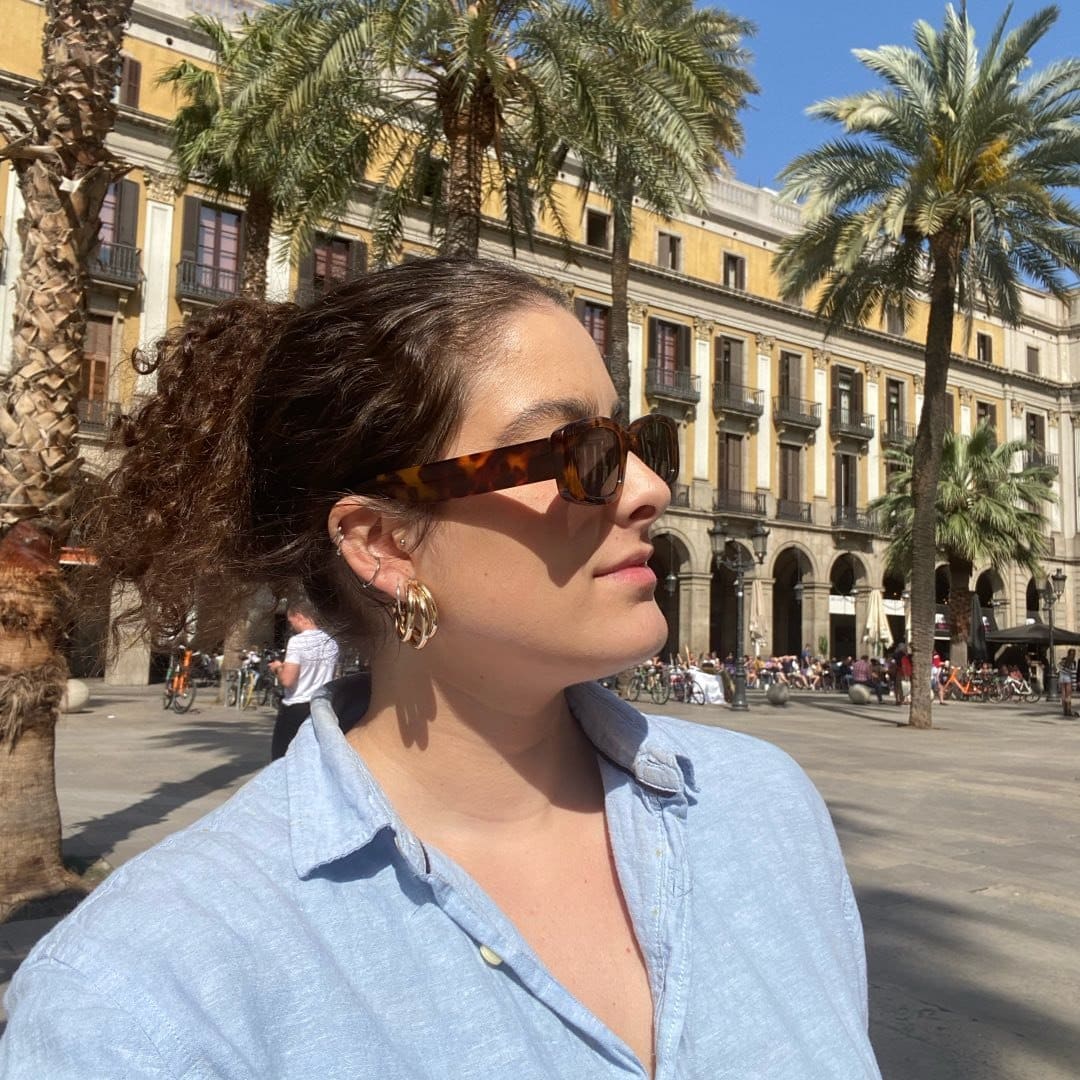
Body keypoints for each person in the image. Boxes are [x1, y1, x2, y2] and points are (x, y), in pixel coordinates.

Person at [0, 258, 879, 1078]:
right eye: (579, 457)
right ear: (383, 543)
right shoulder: (147, 988)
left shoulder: (761, 809)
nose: (649, 488)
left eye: (637, 441)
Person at [268, 599, 340, 760]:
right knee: (312, 758)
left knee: (282, 758)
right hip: (321, 706)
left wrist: (278, 667)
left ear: (300, 616)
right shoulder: (332, 643)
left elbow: (288, 680)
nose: (292, 625)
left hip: (296, 706)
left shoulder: (298, 642)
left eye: (291, 621)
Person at [1059, 647, 1076, 718]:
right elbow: (1074, 673)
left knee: (1063, 694)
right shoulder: (1073, 662)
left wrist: (1063, 670)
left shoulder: (1063, 660)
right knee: (1068, 695)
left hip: (1062, 678)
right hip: (1068, 678)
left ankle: (1064, 710)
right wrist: (1074, 685)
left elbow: (1058, 667)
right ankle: (1068, 710)